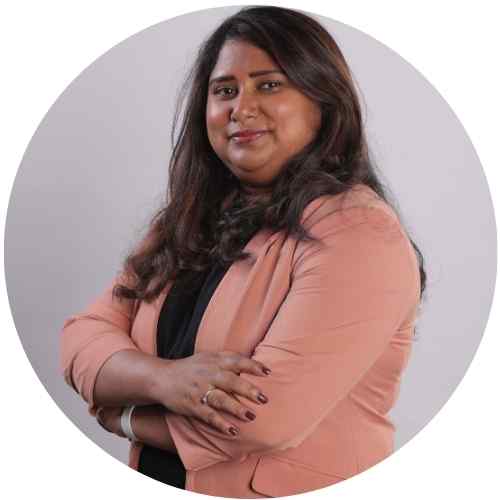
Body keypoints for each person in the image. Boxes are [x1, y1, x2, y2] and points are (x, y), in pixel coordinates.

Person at [59, 6, 426, 498]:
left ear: (323, 101)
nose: (241, 107)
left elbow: (262, 420)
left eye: (268, 85)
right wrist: (163, 380)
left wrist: (122, 415)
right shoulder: (186, 223)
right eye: (225, 90)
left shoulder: (357, 231)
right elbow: (80, 337)